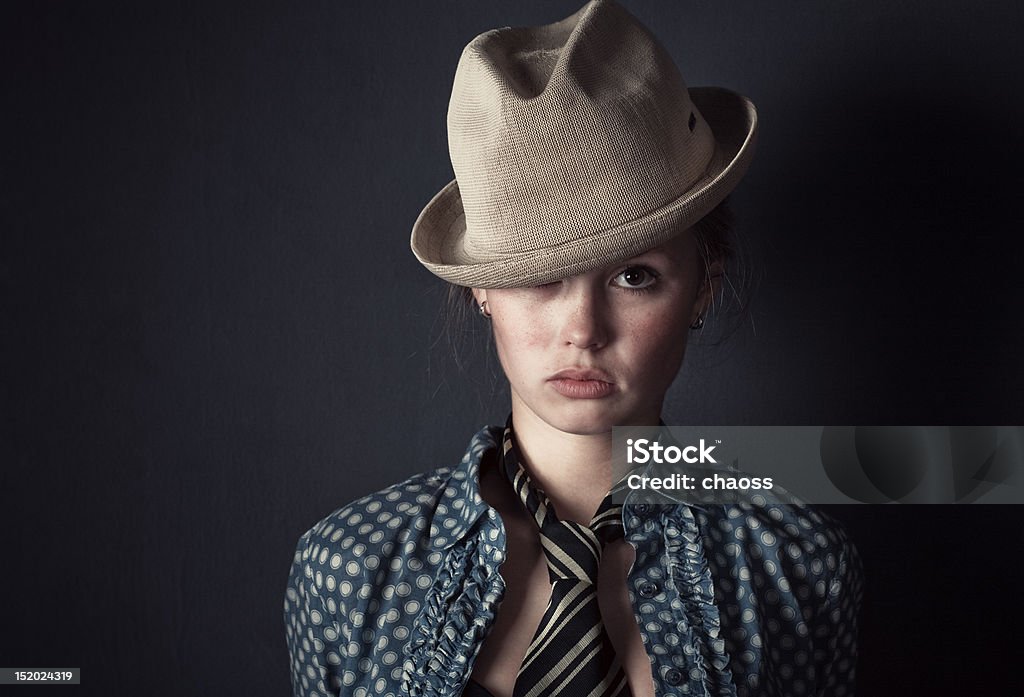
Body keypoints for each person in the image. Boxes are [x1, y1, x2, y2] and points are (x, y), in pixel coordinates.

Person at [284, 1, 862, 696]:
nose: (582, 329)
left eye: (634, 275)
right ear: (484, 290)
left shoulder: (796, 567)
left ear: (703, 285)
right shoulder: (349, 568)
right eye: (537, 277)